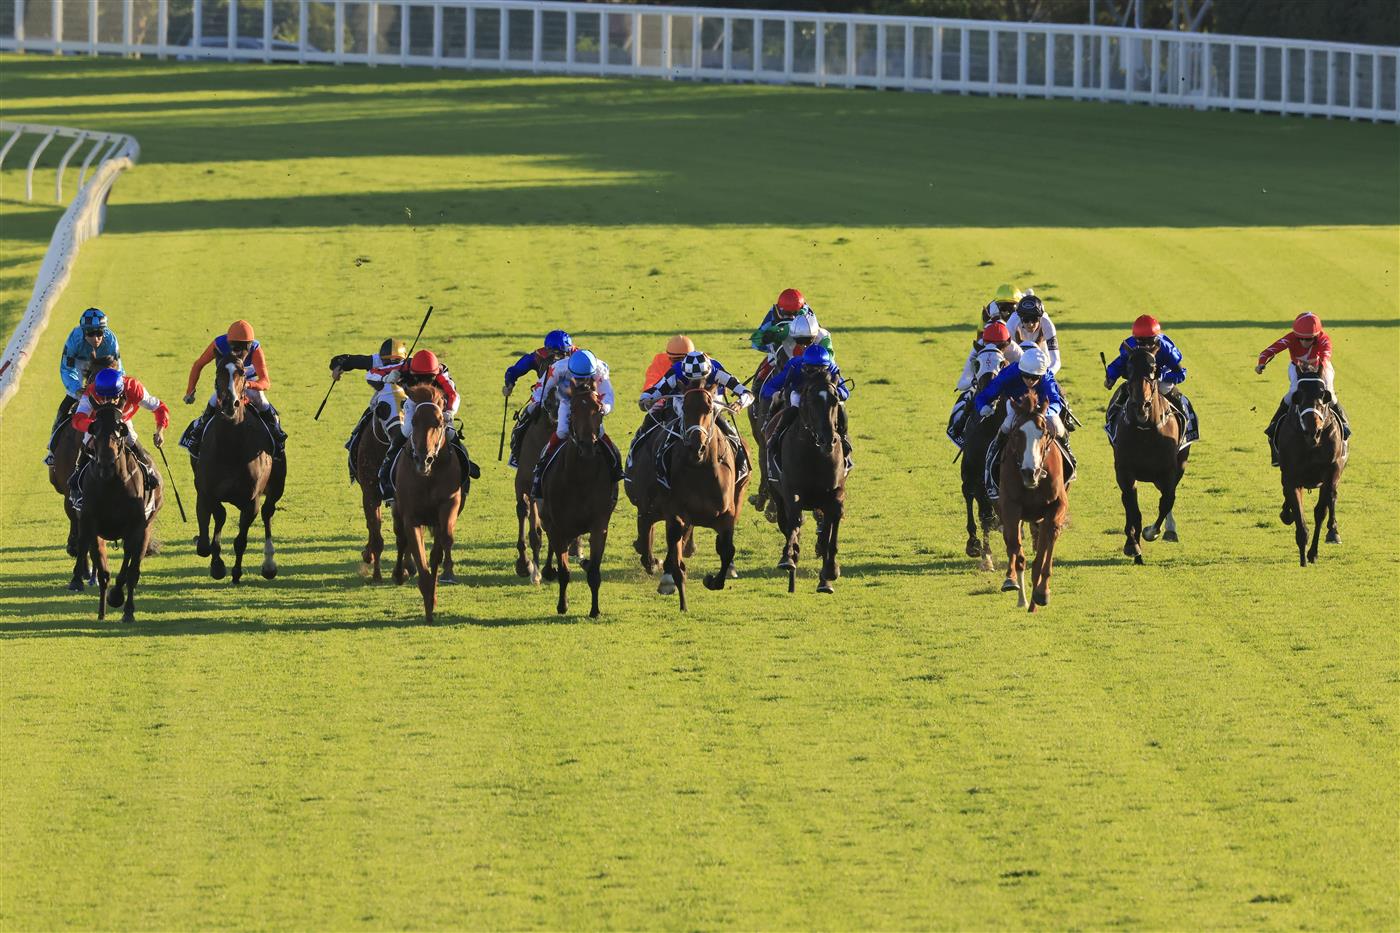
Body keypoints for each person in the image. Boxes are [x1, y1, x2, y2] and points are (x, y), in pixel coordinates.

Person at [376, 349, 480, 501]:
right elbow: (374, 372)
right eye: (420, 378)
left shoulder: (442, 374)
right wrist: (387, 377)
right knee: (406, 431)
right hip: (414, 403)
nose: (425, 381)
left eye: (429, 378)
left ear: (435, 373)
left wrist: (449, 413)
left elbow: (453, 395)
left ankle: (465, 466)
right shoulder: (404, 366)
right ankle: (387, 469)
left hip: (439, 406)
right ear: (412, 372)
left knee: (450, 433)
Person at [634, 350, 753, 481]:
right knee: (675, 427)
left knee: (729, 430)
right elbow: (655, 390)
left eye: (702, 380)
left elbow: (747, 393)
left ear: (708, 372)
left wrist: (740, 403)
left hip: (711, 401)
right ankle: (661, 466)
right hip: (683, 402)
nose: (698, 384)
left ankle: (742, 464)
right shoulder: (676, 372)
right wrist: (646, 399)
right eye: (692, 381)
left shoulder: (717, 370)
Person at [974, 347, 1075, 500]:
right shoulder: (1009, 373)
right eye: (1026, 376)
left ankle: (1069, 458)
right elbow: (986, 394)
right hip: (1016, 406)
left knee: (1058, 426)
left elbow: (1055, 402)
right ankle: (990, 467)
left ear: (1041, 375)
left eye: (1035, 378)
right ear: (1020, 371)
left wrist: (1042, 414)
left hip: (1042, 409)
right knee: (1006, 425)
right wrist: (983, 407)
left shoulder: (1047, 377)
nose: (1030, 381)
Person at [180, 320, 285, 459]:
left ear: (249, 345)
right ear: (229, 343)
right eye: (235, 346)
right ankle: (197, 435)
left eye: (243, 347)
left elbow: (266, 382)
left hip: (250, 383)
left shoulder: (255, 349)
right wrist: (190, 390)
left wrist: (248, 385)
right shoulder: (219, 344)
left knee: (262, 402)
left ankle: (277, 435)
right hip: (227, 384)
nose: (239, 351)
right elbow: (198, 364)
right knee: (212, 402)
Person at [67, 366, 169, 508]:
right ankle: (78, 477)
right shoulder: (91, 392)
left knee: (131, 438)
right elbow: (77, 419)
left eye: (113, 397)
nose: (108, 401)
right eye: (104, 398)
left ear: (122, 391)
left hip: (122, 419)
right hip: (97, 422)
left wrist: (160, 430)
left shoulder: (134, 388)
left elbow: (159, 407)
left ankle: (148, 471)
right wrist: (91, 427)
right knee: (87, 441)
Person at [1258, 311, 1350, 465]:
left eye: (1308, 339)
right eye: (1300, 338)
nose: (1303, 342)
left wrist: (1317, 372)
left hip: (1321, 367)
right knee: (1293, 393)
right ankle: (1274, 427)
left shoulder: (1324, 339)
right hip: (1297, 368)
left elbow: (1325, 358)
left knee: (1330, 393)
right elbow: (1269, 351)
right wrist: (1261, 363)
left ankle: (1344, 426)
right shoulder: (1291, 337)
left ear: (1316, 336)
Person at [532, 349, 622, 497]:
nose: (581, 382)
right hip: (567, 400)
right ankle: (541, 469)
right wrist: (537, 402)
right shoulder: (559, 367)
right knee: (561, 432)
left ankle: (616, 468)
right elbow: (542, 387)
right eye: (577, 378)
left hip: (593, 401)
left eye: (585, 378)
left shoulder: (600, 369)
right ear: (570, 369)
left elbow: (608, 396)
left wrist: (602, 409)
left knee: (599, 433)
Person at [1103, 314, 1199, 446]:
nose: (1145, 347)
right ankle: (1112, 427)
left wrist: (1161, 377)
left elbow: (1181, 374)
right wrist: (1111, 376)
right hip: (1137, 380)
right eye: (1141, 342)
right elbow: (1119, 363)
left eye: (1149, 342)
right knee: (1120, 397)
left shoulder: (1166, 348)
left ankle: (1185, 429)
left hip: (1161, 381)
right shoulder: (1130, 346)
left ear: (1156, 339)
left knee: (1176, 399)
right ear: (1136, 339)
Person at [328, 338, 408, 480]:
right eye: (386, 361)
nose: (389, 364)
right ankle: (353, 456)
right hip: (383, 401)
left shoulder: (410, 363)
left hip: (408, 402)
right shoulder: (376, 360)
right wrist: (337, 366)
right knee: (362, 426)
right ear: (381, 358)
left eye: (395, 361)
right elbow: (350, 360)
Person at [760, 344, 853, 468]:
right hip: (801, 394)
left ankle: (844, 438)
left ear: (827, 367)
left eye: (822, 370)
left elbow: (845, 392)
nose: (817, 374)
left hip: (823, 396)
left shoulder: (832, 367)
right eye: (812, 370)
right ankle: (776, 437)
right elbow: (768, 387)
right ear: (804, 365)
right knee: (795, 401)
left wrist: (835, 392)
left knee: (840, 405)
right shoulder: (795, 365)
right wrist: (774, 394)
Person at [501, 330, 576, 467]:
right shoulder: (537, 357)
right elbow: (515, 369)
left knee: (589, 421)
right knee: (524, 419)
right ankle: (517, 453)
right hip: (543, 396)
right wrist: (509, 384)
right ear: (547, 350)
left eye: (564, 353)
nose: (560, 357)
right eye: (556, 353)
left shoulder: (578, 355)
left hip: (571, 398)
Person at [948, 321, 1023, 448]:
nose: (993, 349)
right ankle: (960, 424)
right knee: (973, 393)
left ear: (1008, 342)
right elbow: (962, 384)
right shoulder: (978, 347)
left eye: (999, 346)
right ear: (984, 341)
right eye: (989, 344)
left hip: (1011, 381)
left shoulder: (1015, 351)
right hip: (985, 383)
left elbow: (1027, 374)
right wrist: (976, 381)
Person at [53, 307, 122, 436]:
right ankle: (52, 446)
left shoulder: (111, 341)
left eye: (100, 333)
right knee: (69, 400)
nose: (96, 338)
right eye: (90, 333)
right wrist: (76, 389)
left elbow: (118, 369)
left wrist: (117, 388)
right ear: (83, 332)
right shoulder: (74, 340)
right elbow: (67, 369)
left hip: (104, 363)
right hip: (79, 363)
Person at [1004, 293, 1061, 374]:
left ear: (1040, 317)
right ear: (1020, 318)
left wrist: (1046, 375)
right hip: (1017, 346)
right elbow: (1004, 357)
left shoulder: (1047, 325)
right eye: (1026, 320)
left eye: (1034, 319)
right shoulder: (1011, 324)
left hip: (1041, 346)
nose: (1030, 324)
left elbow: (1056, 362)